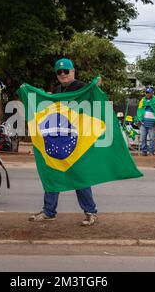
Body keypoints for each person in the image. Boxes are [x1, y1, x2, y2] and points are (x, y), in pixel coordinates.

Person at [29, 58, 100, 226]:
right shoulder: (57, 90)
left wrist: (95, 86)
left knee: (80, 177)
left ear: (73, 71)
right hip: (58, 140)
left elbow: (94, 102)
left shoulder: (82, 88)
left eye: (66, 71)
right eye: (59, 72)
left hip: (77, 140)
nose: (62, 74)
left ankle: (91, 212)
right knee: (52, 174)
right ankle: (49, 211)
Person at [137, 88, 155, 156]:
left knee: (152, 138)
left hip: (152, 123)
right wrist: (138, 119)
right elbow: (139, 110)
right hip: (143, 123)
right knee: (143, 137)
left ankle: (151, 152)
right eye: (146, 93)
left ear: (152, 93)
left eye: (149, 93)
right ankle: (144, 151)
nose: (147, 94)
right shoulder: (143, 100)